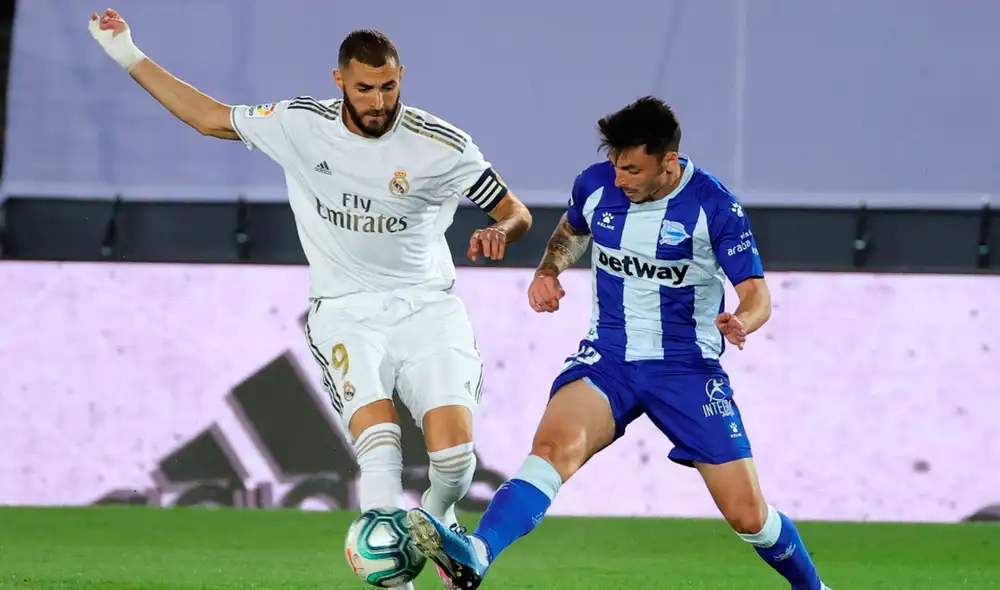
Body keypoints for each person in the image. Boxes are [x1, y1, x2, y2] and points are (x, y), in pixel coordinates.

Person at [88, 9, 532, 589]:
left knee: (454, 462)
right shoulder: (298, 125)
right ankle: (396, 580)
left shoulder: (441, 146)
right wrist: (126, 52)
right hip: (345, 310)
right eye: (365, 88)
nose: (378, 101)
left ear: (402, 77)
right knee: (380, 450)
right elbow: (207, 118)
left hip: (428, 308)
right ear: (339, 81)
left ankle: (440, 521)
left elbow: (513, 209)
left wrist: (504, 230)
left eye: (389, 86)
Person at [405, 97, 831, 590]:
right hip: (609, 358)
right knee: (551, 450)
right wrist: (549, 269)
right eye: (615, 164)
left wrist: (741, 321)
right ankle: (476, 554)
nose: (620, 177)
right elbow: (570, 232)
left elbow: (757, 295)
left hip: (685, 369)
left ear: (668, 163)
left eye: (632, 168)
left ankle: (813, 588)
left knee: (747, 515)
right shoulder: (595, 185)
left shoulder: (714, 206)